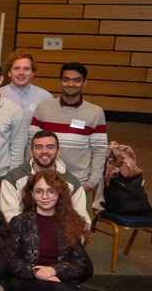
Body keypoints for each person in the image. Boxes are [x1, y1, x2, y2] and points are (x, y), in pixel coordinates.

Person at [29, 62, 107, 202]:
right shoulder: (43, 109)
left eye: (76, 80)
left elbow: (99, 151)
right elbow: (31, 144)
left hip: (78, 184)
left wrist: (89, 185)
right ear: (60, 82)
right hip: (43, 183)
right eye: (66, 79)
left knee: (74, 223)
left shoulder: (95, 113)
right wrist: (32, 178)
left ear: (84, 83)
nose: (71, 84)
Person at [0, 129, 91, 224]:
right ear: (31, 152)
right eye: (38, 147)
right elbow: (10, 219)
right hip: (24, 235)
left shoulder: (72, 183)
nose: (44, 151)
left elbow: (83, 221)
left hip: (61, 235)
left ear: (58, 152)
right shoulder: (13, 179)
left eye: (50, 147)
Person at [0, 49, 50, 120]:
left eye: (26, 69)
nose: (21, 72)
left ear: (32, 73)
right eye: (16, 68)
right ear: (9, 72)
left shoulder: (45, 97)